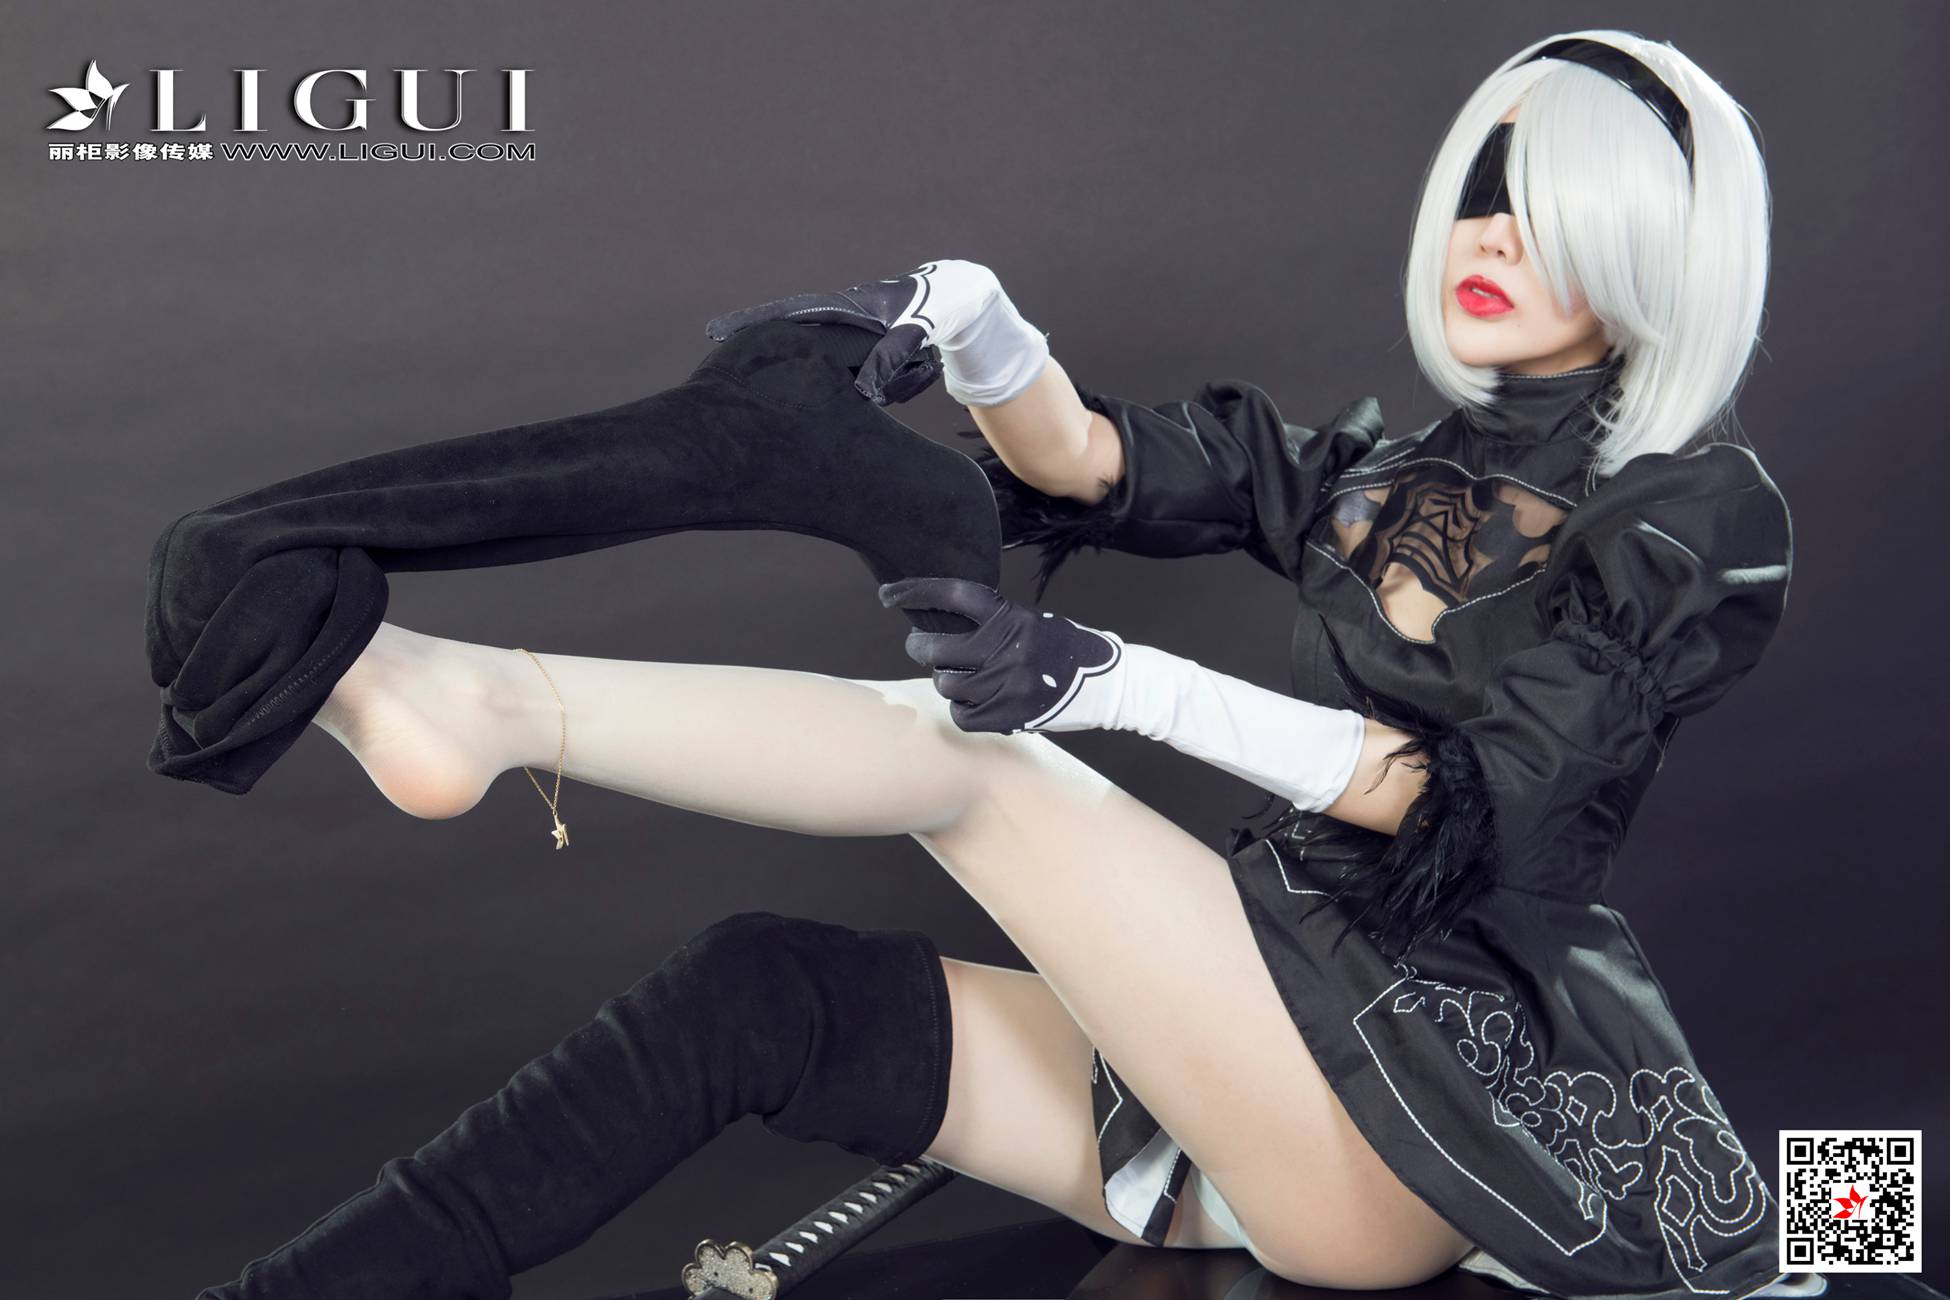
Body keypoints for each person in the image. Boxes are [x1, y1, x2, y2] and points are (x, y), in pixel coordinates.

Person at [157, 28, 1812, 1300]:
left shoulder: (1695, 515)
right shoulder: (1380, 477)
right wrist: (973, 323)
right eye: (1480, 190)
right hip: (1260, 1057)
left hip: (1420, 1120)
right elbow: (1087, 458)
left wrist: (1119, 683)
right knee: (770, 996)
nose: (1493, 234)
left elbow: (1470, 803)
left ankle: (476, 702)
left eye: (1548, 207)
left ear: (1650, 243)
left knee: (977, 764)